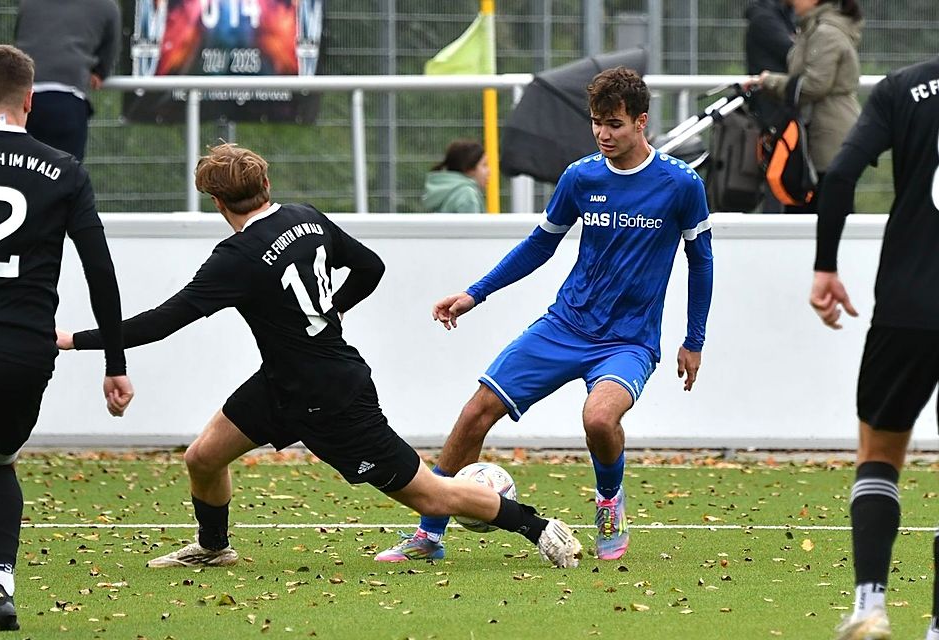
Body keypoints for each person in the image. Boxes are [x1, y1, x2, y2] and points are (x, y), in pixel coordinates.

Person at [56, 143, 583, 571]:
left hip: (332, 397)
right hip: (284, 382)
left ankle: (539, 528)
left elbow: (162, 322)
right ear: (266, 187)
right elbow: (370, 268)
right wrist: (329, 311)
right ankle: (214, 548)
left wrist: (75, 339)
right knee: (203, 457)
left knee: (430, 495)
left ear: (217, 203)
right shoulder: (304, 217)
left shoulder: (234, 259)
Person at [376, 66, 713, 563]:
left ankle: (609, 504)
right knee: (474, 415)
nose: (603, 133)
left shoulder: (680, 185)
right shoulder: (580, 177)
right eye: (597, 121)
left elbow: (701, 261)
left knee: (599, 420)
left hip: (629, 341)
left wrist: (694, 339)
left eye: (615, 123)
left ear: (641, 122)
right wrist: (476, 293)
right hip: (564, 326)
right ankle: (430, 534)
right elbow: (540, 246)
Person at [0, 44, 133, 632]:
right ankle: (0, 582)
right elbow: (100, 271)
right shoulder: (65, 170)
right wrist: (114, 362)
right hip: (24, 351)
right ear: (29, 101)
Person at [810, 53, 939, 640]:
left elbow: (838, 175)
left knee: (879, 455)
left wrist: (825, 268)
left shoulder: (904, 89)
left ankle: (869, 607)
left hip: (908, 308)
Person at [746, 0, 863, 213]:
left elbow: (814, 85)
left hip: (829, 138)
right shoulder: (813, 28)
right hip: (816, 135)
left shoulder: (826, 33)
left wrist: (770, 82)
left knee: (830, 214)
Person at [14, 0, 121, 162]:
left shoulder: (28, 3)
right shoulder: (106, 6)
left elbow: (20, 40)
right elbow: (110, 49)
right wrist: (98, 72)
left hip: (20, 97)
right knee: (65, 177)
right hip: (68, 100)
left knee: (17, 174)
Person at [744, 0, 795, 214]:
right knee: (777, 173)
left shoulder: (779, 15)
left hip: (778, 108)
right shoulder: (765, 18)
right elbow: (792, 52)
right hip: (772, 112)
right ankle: (775, 224)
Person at [422, 139, 488, 213]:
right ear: (469, 168)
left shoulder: (443, 192)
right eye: (484, 165)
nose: (489, 171)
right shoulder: (467, 195)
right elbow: (472, 224)